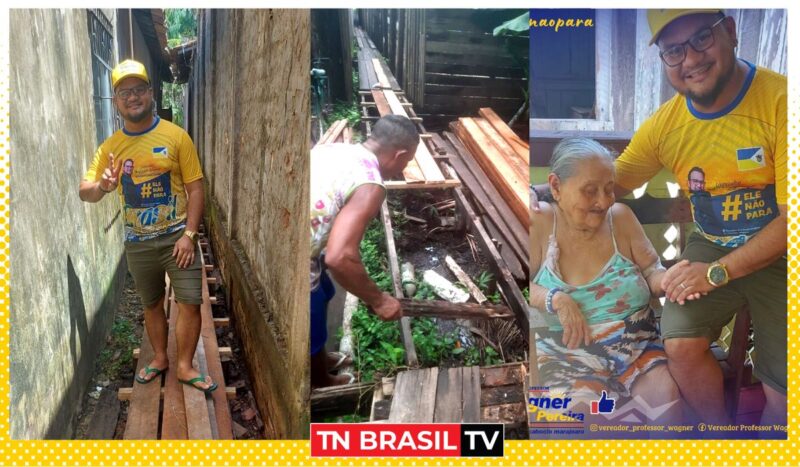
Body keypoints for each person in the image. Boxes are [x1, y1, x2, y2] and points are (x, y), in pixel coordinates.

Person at [532, 10, 787, 425]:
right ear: (664, 60)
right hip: (711, 245)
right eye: (673, 50)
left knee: (783, 386)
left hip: (780, 256)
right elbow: (610, 181)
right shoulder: (666, 125)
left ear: (731, 33)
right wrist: (541, 191)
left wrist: (716, 273)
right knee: (681, 345)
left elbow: (790, 222)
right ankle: (715, 439)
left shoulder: (782, 102)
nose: (690, 59)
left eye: (702, 38)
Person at [79, 60, 216, 393]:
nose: (133, 97)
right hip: (137, 243)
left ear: (151, 93)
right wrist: (104, 187)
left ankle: (184, 366)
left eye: (139, 89)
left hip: (177, 238)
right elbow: (85, 191)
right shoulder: (109, 148)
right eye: (125, 92)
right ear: (116, 101)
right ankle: (160, 358)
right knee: (151, 303)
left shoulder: (176, 137)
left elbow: (196, 187)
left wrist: (189, 234)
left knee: (189, 302)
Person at [531, 138, 682, 425]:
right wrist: (556, 299)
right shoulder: (540, 223)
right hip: (569, 358)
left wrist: (671, 280)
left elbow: (652, 272)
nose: (603, 200)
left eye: (609, 188)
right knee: (579, 422)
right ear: (555, 187)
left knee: (667, 401)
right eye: (590, 191)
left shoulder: (621, 218)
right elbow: (520, 286)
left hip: (637, 347)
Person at [310, 115, 419, 388]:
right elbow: (339, 257)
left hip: (302, 246)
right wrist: (379, 300)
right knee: (311, 319)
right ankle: (320, 380)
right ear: (399, 154)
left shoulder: (333, 148)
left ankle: (320, 358)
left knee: (323, 292)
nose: (402, 169)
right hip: (295, 259)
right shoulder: (370, 183)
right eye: (405, 163)